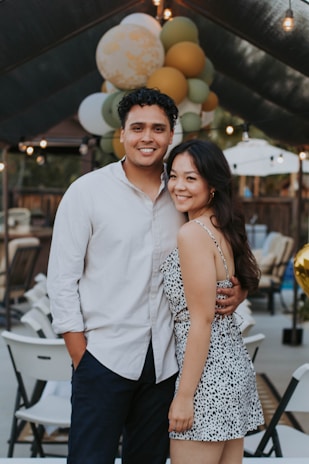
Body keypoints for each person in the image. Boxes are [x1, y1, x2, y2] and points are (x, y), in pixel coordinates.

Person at [47, 88, 247, 464]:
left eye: (158, 128)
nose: (147, 137)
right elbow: (61, 281)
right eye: (137, 127)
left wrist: (239, 291)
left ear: (171, 135)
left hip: (166, 365)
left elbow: (222, 253)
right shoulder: (87, 193)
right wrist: (82, 358)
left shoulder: (184, 194)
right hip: (104, 358)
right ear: (121, 134)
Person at [160, 139, 264, 464]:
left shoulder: (191, 233)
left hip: (206, 380)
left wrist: (184, 397)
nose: (178, 186)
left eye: (191, 178)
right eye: (174, 176)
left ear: (213, 184)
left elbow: (201, 321)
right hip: (231, 368)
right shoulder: (219, 228)